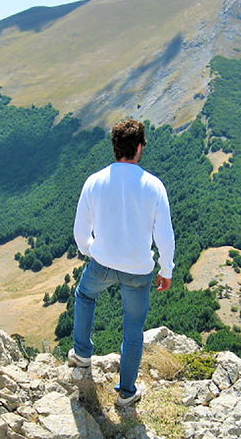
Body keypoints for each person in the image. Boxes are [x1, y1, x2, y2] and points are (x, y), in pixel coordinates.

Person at [70, 118, 175, 407]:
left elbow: (81, 232)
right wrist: (166, 271)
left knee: (85, 295)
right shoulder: (153, 186)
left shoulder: (95, 181)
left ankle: (82, 353)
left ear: (115, 147)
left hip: (102, 263)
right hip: (139, 270)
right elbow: (164, 237)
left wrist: (92, 250)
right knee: (133, 328)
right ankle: (127, 392)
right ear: (140, 147)